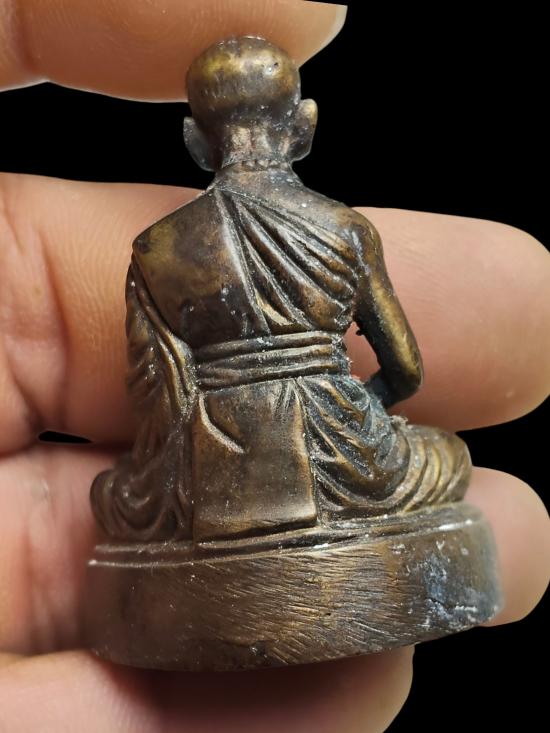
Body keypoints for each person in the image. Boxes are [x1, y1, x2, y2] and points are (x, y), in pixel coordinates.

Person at [0, 2, 548, 731]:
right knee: (448, 458)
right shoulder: (344, 229)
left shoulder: (157, 250)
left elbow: (160, 401)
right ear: (304, 126)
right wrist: (360, 410)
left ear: (196, 140)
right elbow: (407, 368)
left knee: (111, 498)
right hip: (336, 443)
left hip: (209, 467)